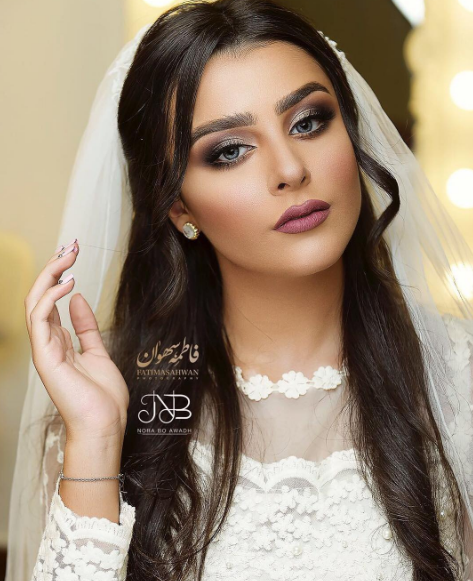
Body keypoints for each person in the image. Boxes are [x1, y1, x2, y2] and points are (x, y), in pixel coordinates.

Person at [6, 0, 473, 579]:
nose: (290, 169)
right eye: (229, 151)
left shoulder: (458, 379)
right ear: (180, 209)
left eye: (308, 121)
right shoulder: (112, 416)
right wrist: (98, 441)